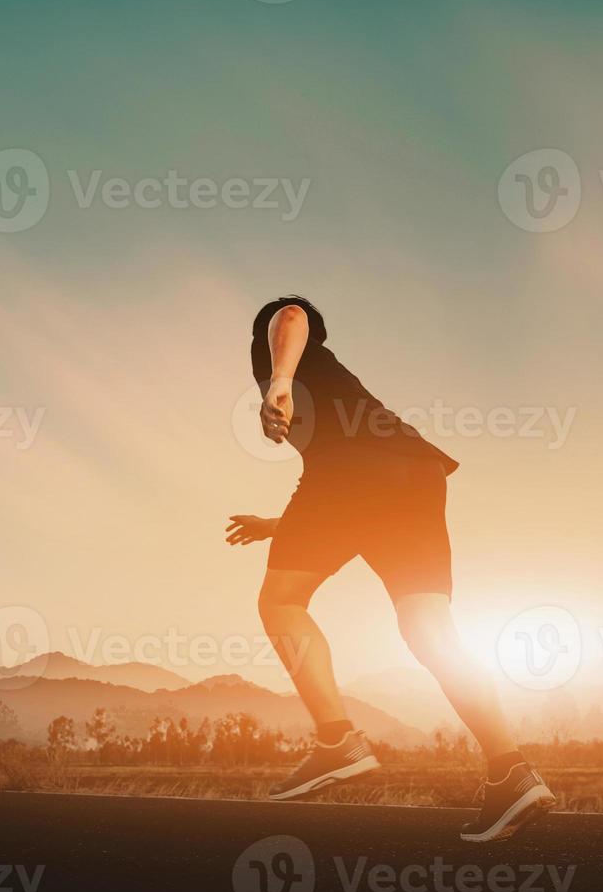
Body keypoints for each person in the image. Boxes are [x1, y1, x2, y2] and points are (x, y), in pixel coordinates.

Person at [226, 296, 556, 843]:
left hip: (353, 478)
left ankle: (337, 742)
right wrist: (278, 524)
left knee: (280, 601)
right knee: (429, 629)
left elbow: (290, 316)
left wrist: (279, 378)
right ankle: (511, 771)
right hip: (412, 475)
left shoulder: (287, 348)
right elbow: (343, 493)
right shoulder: (335, 396)